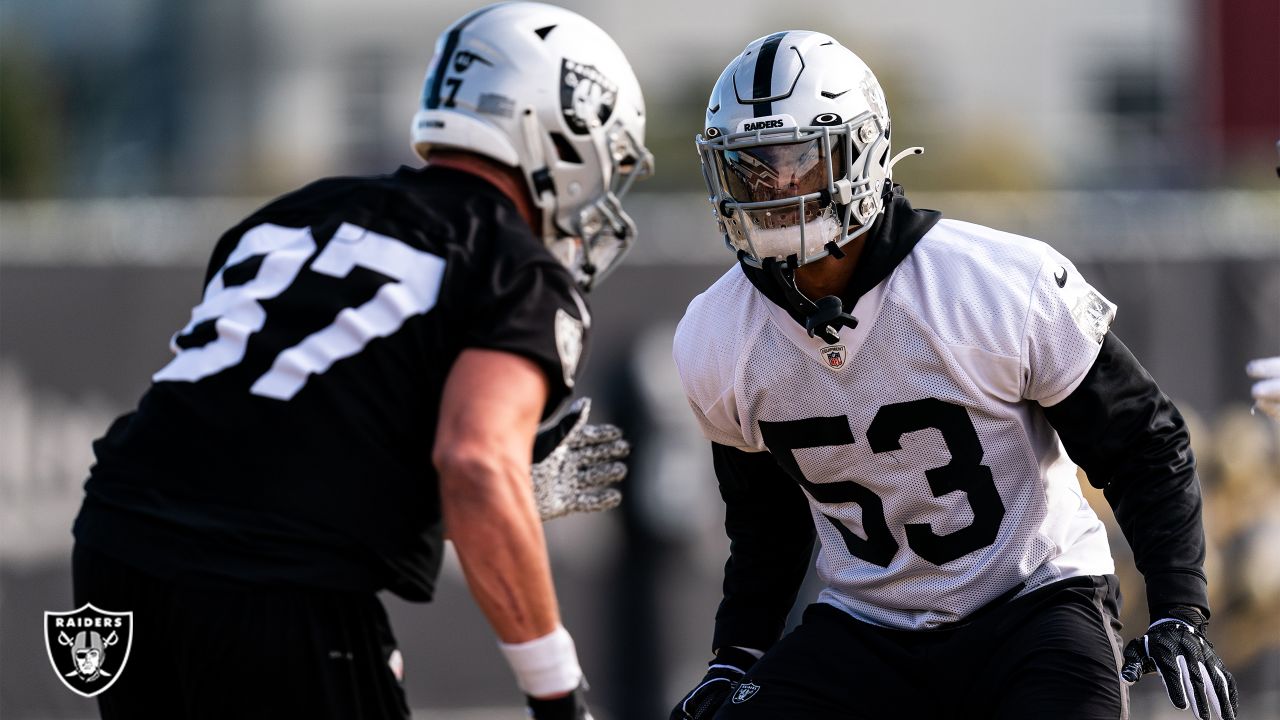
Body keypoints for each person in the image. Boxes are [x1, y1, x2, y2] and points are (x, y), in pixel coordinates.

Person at [70, 3, 651, 718]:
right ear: (555, 127)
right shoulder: (515, 266)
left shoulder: (293, 213)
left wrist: (453, 490)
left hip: (115, 548)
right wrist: (558, 693)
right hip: (270, 581)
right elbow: (474, 460)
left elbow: (264, 418)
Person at [669, 31, 1238, 720]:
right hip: (866, 627)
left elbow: (1143, 443)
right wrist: (735, 657)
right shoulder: (716, 334)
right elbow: (766, 523)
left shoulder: (994, 282)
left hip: (1031, 604)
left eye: (795, 161)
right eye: (749, 169)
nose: (772, 190)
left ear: (862, 151)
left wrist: (1179, 606)